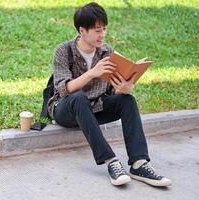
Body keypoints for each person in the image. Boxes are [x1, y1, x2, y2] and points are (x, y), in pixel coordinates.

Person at [47, 2, 171, 187]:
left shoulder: (107, 52)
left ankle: (139, 163)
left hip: (94, 108)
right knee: (79, 98)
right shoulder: (63, 51)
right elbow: (64, 90)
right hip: (66, 110)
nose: (102, 35)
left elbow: (111, 89)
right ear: (82, 30)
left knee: (127, 100)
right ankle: (111, 161)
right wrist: (92, 72)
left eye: (104, 29)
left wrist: (123, 88)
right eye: (97, 30)